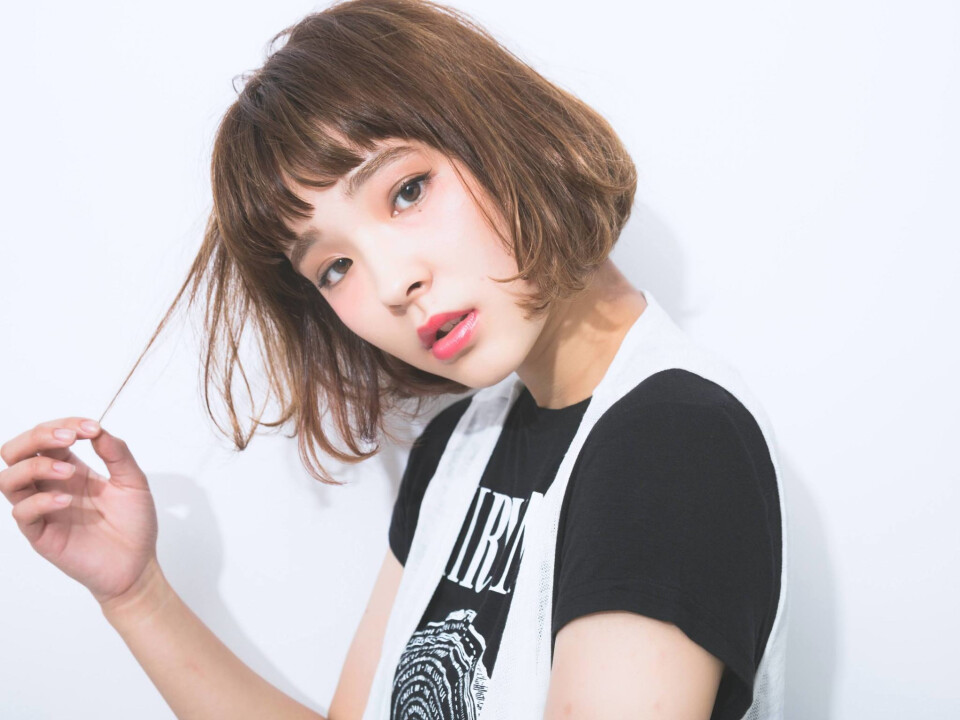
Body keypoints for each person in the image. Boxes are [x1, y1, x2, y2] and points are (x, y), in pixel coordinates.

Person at [0, 0, 787, 718]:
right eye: (335, 267)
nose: (391, 285)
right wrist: (138, 595)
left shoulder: (670, 443)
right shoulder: (459, 448)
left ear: (506, 129)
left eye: (407, 191)